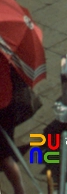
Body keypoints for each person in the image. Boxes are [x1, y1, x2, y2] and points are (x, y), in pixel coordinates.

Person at [0, 54, 33, 194]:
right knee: (5, 156)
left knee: (4, 157)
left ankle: (19, 191)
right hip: (7, 107)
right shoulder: (4, 50)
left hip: (3, 109)